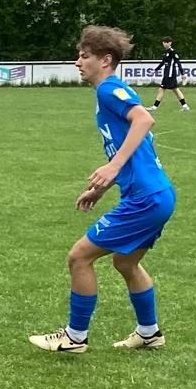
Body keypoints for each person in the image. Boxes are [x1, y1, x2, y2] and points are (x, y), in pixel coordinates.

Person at [30, 26, 174, 354]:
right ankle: (149, 333)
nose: (77, 62)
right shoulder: (108, 93)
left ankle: (74, 337)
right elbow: (133, 150)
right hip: (157, 195)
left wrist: (112, 166)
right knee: (126, 263)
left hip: (146, 199)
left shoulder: (109, 89)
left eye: (84, 56)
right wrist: (101, 188)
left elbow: (144, 120)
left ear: (105, 60)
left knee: (79, 257)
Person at [151, 37, 189, 112]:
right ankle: (185, 106)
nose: (164, 44)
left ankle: (154, 107)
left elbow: (178, 63)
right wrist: (155, 70)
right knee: (174, 90)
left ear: (170, 43)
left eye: (166, 42)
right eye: (163, 42)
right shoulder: (166, 52)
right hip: (167, 74)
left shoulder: (173, 52)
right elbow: (162, 63)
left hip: (170, 74)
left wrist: (182, 73)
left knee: (163, 89)